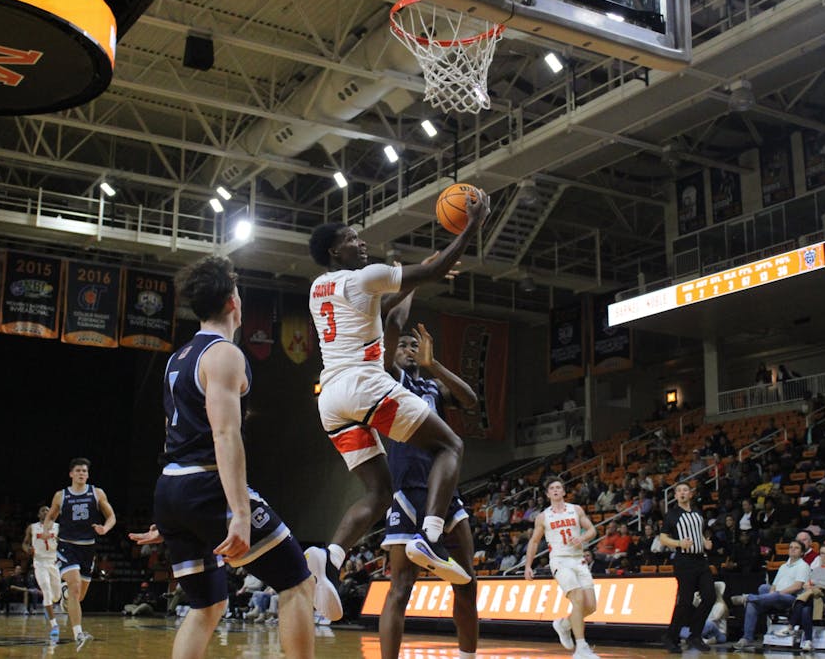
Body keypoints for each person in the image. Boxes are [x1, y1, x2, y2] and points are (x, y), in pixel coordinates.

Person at [304, 190, 490, 620]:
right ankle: (429, 533)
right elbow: (432, 270)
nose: (361, 241)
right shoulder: (362, 277)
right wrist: (469, 228)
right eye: (352, 237)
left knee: (379, 491)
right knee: (450, 447)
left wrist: (417, 279)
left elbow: (389, 313)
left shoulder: (320, 288)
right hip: (363, 385)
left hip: (331, 398)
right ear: (335, 249)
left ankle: (330, 557)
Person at [128, 255, 315, 659]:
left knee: (207, 605)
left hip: (173, 486)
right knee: (297, 582)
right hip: (205, 485)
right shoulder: (225, 354)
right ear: (233, 300)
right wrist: (241, 512)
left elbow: (171, 433)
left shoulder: (177, 361)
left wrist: (173, 513)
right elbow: (225, 433)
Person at [378, 293, 479, 659]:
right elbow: (389, 333)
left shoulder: (433, 387)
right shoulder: (390, 379)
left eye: (413, 344)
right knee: (401, 587)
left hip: (444, 491)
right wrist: (406, 284)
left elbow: (470, 401)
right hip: (408, 487)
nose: (407, 348)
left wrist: (433, 364)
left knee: (467, 583)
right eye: (403, 344)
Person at [43, 457, 116, 649]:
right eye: (78, 471)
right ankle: (78, 634)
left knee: (79, 596)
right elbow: (50, 517)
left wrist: (105, 528)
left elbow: (111, 516)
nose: (82, 473)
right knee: (75, 588)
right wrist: (46, 531)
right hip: (67, 546)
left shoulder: (96, 493)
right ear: (71, 474)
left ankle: (66, 596)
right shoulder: (61, 495)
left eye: (85, 471)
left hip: (88, 547)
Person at [525, 477, 600, 659]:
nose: (556, 490)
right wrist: (528, 565)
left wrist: (582, 538)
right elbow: (534, 541)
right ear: (548, 493)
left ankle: (564, 625)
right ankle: (581, 648)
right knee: (578, 599)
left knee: (590, 606)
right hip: (560, 561)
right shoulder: (543, 517)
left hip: (579, 560)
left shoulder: (576, 510)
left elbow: (592, 530)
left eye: (559, 487)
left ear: (564, 492)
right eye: (552, 488)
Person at [661, 482, 715, 653]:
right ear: (675, 496)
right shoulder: (672, 515)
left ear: (691, 494)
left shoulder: (698, 512)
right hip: (684, 561)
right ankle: (671, 637)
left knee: (710, 596)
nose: (682, 493)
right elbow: (663, 538)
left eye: (685, 490)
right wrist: (679, 543)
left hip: (701, 560)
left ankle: (695, 635)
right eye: (678, 491)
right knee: (684, 602)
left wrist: (705, 541)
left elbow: (698, 531)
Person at [731, 540, 810, 650]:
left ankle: (748, 597)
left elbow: (797, 586)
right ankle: (746, 638)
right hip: (776, 597)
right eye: (791, 547)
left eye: (796, 548)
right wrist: (772, 594)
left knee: (766, 596)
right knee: (760, 593)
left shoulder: (803, 566)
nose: (792, 549)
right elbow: (774, 585)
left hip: (791, 598)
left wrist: (777, 594)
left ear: (802, 553)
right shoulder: (783, 566)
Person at [779, 544, 825, 651]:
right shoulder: (816, 569)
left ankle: (791, 626)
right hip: (812, 596)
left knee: (806, 599)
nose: (824, 556)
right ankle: (808, 641)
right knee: (805, 609)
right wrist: (811, 585)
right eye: (822, 553)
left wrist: (814, 583)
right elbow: (807, 585)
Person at [24, 505, 61, 639]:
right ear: (39, 514)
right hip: (39, 563)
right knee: (46, 588)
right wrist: (28, 549)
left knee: (56, 596)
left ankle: (49, 606)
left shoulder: (57, 527)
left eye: (47, 510)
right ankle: (54, 624)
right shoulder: (32, 527)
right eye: (42, 510)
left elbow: (63, 544)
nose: (45, 511)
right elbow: (25, 543)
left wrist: (59, 542)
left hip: (53, 562)